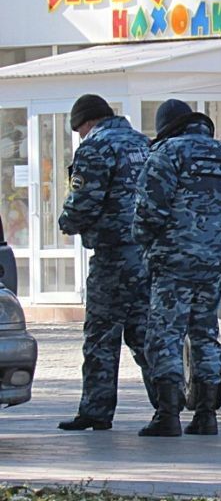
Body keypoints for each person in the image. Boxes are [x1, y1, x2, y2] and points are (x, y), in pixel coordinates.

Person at [134, 99, 221, 437]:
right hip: (214, 263)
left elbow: (147, 213)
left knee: (166, 336)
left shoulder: (167, 154)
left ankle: (168, 415)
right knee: (205, 335)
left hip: (173, 263)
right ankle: (206, 415)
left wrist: (147, 244)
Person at [57, 94, 152, 431]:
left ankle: (96, 411)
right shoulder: (144, 144)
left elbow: (85, 200)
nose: (81, 136)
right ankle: (168, 408)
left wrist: (67, 222)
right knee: (144, 333)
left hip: (113, 255)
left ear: (86, 122)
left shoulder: (96, 146)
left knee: (101, 335)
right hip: (146, 255)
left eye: (80, 130)